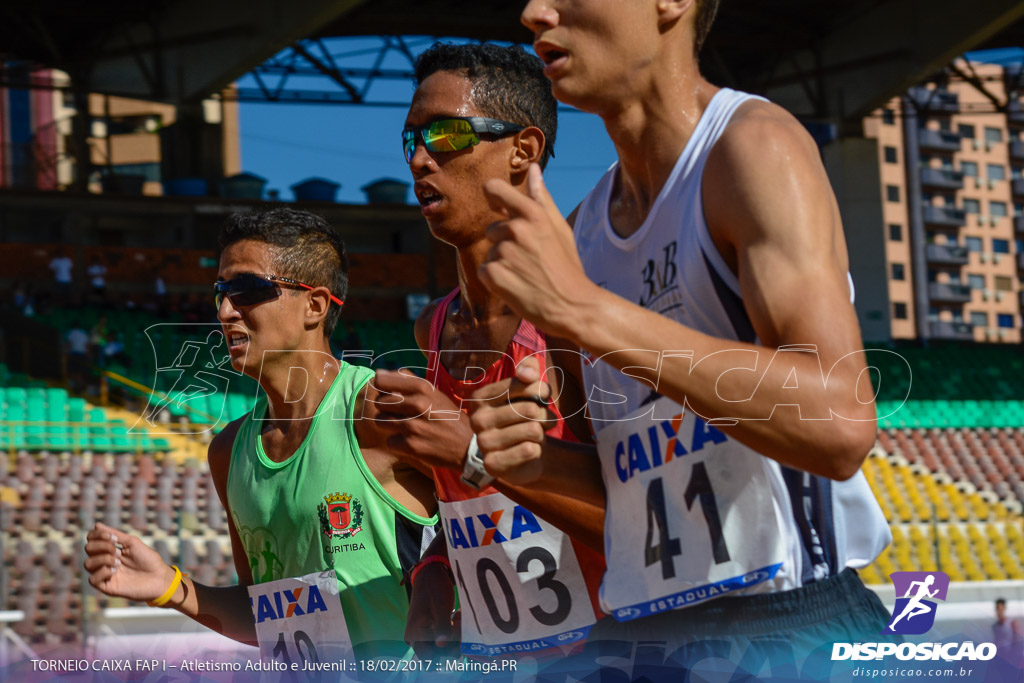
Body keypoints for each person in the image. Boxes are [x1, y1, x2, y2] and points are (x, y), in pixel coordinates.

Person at [468, 0, 892, 669]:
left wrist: (588, 312)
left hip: (789, 621)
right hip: (649, 631)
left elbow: (838, 422)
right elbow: (626, 489)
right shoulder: (581, 230)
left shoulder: (753, 147)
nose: (532, 12)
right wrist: (533, 463)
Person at [84, 208, 439, 662]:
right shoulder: (228, 450)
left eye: (248, 291)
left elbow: (501, 515)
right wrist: (172, 587)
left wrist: (439, 568)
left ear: (316, 305)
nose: (226, 311)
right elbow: (267, 615)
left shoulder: (379, 410)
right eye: (220, 293)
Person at [371, 42, 605, 660]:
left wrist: (472, 452)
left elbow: (634, 519)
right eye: (411, 140)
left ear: (523, 150)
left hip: (609, 656)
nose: (420, 159)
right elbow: (474, 500)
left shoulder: (576, 312)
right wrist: (434, 573)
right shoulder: (434, 326)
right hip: (498, 657)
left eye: (446, 135)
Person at [993, 598, 1023, 662]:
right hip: (1000, 656)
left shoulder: (1012, 622)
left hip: (1011, 655)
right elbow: (996, 641)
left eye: (1000, 608)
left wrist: (1013, 655)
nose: (999, 611)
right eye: (997, 608)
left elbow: (1017, 640)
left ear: (1004, 608)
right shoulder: (995, 626)